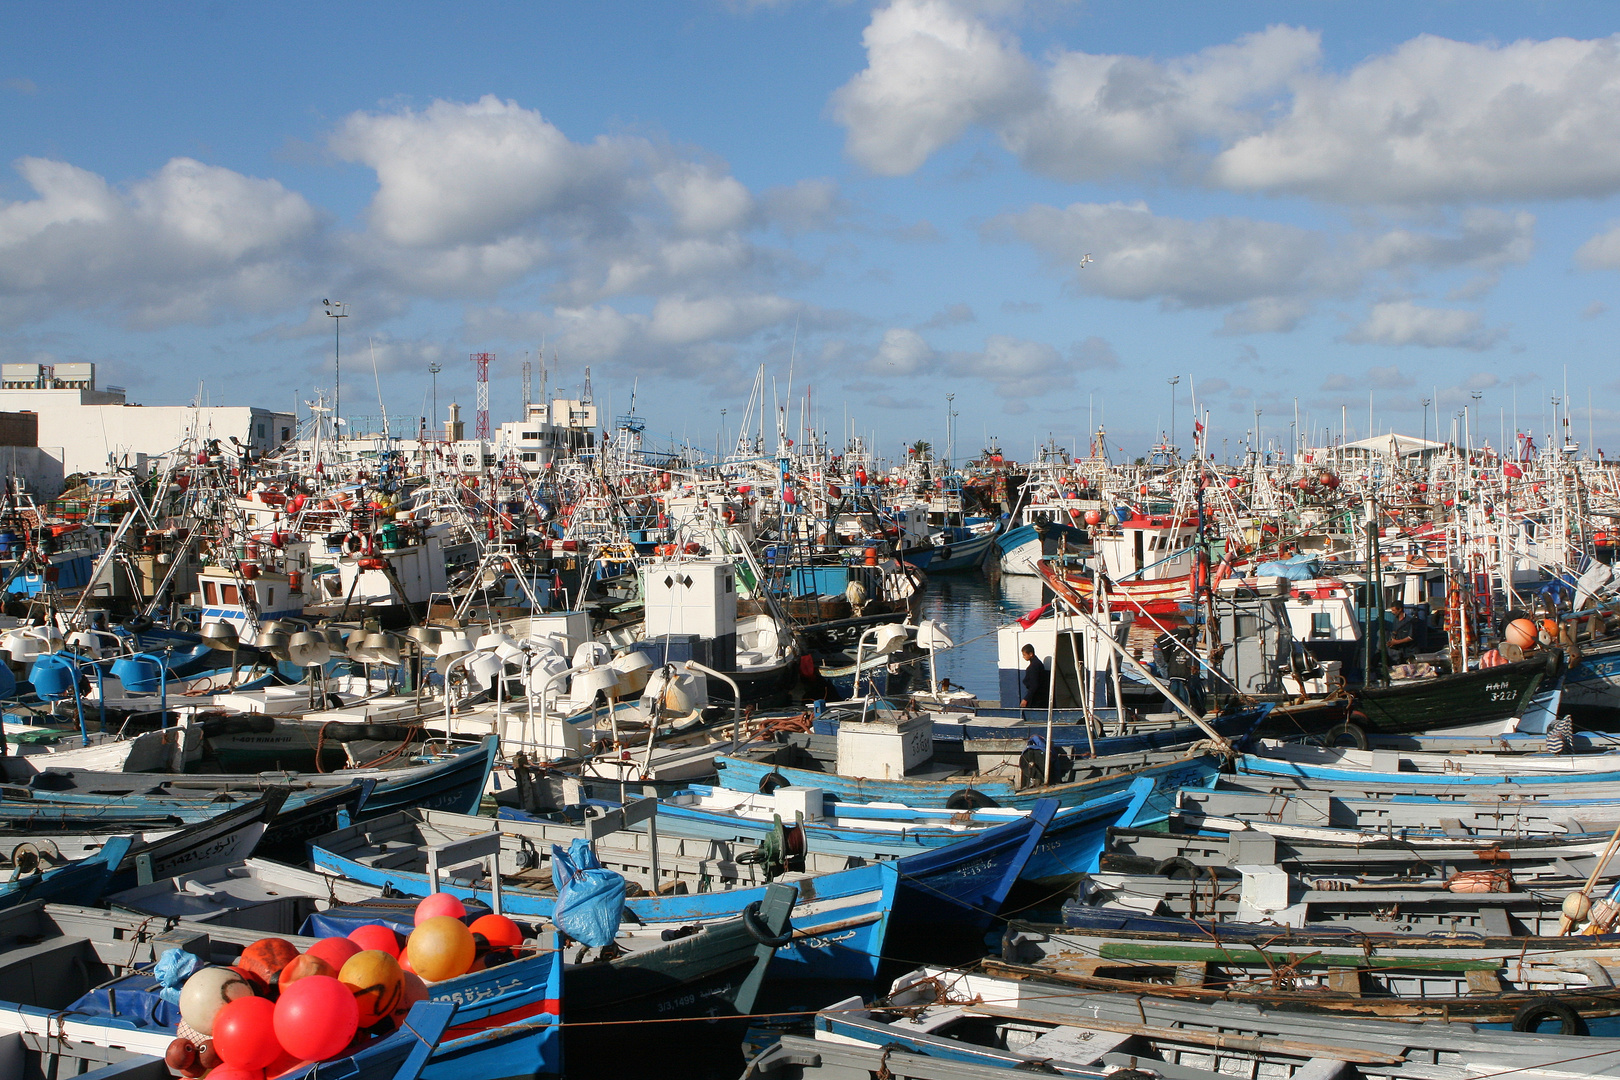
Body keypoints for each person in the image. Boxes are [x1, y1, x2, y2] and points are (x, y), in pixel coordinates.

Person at [1019, 644, 1049, 709]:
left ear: (1030, 654)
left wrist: (1026, 699)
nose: (1023, 657)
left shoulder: (1034, 667)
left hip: (1036, 698)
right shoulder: (1038, 663)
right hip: (1041, 696)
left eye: (1024, 655)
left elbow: (1034, 685)